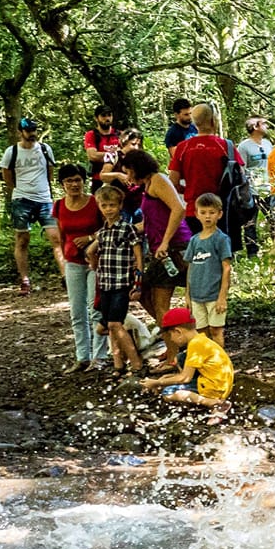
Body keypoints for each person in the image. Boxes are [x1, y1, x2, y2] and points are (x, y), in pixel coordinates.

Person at [120, 146, 191, 365]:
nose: (127, 176)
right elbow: (151, 220)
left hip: (174, 247)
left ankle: (173, 356)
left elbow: (178, 209)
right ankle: (174, 337)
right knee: (143, 292)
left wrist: (167, 241)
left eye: (128, 171)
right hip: (161, 248)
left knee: (160, 304)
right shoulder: (147, 186)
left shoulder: (159, 180)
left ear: (137, 168)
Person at [54, 163, 109, 372]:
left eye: (77, 180)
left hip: (95, 262)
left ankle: (99, 357)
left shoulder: (95, 202)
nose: (74, 184)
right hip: (72, 264)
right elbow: (60, 237)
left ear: (83, 181)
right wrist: (62, 266)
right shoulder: (59, 206)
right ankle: (82, 357)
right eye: (69, 181)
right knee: (77, 312)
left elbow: (108, 227)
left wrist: (91, 238)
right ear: (62, 184)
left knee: (95, 309)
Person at [86, 184, 145, 376]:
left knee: (114, 324)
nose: (108, 209)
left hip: (122, 283)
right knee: (105, 327)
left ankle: (136, 364)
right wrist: (95, 265)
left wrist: (137, 283)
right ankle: (118, 363)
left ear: (120, 206)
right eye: (104, 205)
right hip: (105, 283)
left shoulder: (128, 229)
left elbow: (138, 257)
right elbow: (91, 252)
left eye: (112, 205)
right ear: (100, 207)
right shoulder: (102, 232)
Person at [140, 306, 233, 425]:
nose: (171, 340)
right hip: (219, 382)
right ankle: (206, 397)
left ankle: (212, 403)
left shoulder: (195, 345)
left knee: (168, 393)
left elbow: (185, 378)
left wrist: (157, 383)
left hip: (215, 388)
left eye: (170, 335)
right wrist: (165, 379)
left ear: (178, 331)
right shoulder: (201, 339)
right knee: (181, 357)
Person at [2, 117, 62, 295]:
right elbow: (7, 175)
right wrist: (20, 190)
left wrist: (43, 189)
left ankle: (66, 276)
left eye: (34, 130)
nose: (32, 134)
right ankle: (25, 280)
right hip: (21, 200)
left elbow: (50, 172)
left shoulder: (44, 149)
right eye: (28, 131)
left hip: (44, 199)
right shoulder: (11, 152)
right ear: (20, 132)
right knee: (22, 239)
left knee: (56, 238)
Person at [168, 102, 236, 235]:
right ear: (213, 120)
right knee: (222, 250)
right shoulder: (225, 146)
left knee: (198, 250)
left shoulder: (183, 148)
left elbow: (173, 181)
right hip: (221, 211)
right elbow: (239, 176)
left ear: (194, 121)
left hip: (195, 210)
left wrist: (187, 189)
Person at [183, 193, 233, 348]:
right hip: (197, 295)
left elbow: (226, 267)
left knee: (216, 330)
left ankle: (222, 366)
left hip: (214, 294)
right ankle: (208, 364)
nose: (207, 217)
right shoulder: (194, 240)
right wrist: (187, 294)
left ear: (219, 214)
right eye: (203, 213)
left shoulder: (221, 239)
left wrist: (222, 296)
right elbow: (190, 266)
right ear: (196, 214)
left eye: (212, 212)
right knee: (201, 332)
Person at [235, 116, 271, 258]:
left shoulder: (268, 144)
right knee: (250, 223)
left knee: (274, 220)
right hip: (252, 190)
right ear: (255, 127)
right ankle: (252, 253)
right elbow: (241, 168)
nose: (267, 126)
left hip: (268, 189)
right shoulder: (244, 146)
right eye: (264, 123)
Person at [83, 105, 123, 191]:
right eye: (103, 116)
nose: (107, 118)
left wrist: (103, 155)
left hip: (119, 179)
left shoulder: (120, 134)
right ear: (96, 118)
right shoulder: (91, 135)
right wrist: (116, 154)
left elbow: (127, 154)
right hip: (98, 180)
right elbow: (93, 156)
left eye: (109, 115)